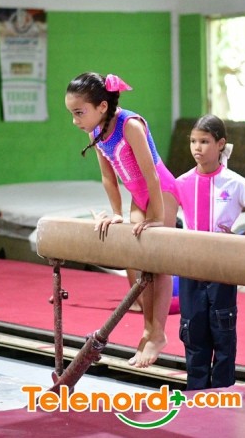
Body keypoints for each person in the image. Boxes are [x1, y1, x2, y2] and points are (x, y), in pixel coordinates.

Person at [64, 72, 178, 369]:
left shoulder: (130, 125)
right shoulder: (96, 132)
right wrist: (116, 213)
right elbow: (109, 178)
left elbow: (151, 174)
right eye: (72, 113)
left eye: (79, 113)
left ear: (102, 106)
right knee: (137, 262)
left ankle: (158, 333)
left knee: (158, 263)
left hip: (162, 192)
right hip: (138, 197)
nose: (75, 120)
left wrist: (156, 217)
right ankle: (148, 329)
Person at [173, 114, 245, 390]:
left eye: (204, 142)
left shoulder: (234, 182)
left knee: (222, 334)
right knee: (193, 333)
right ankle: (196, 394)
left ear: (220, 144)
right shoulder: (181, 182)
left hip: (222, 267)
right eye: (193, 141)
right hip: (190, 267)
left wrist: (244, 240)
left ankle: (222, 394)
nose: (197, 148)